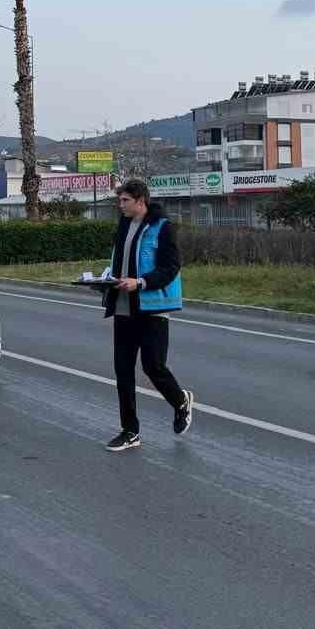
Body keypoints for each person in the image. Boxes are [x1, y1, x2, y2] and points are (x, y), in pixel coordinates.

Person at [102, 178, 193, 451]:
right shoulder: (123, 225)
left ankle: (180, 401)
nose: (120, 205)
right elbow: (121, 263)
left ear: (140, 201)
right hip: (123, 307)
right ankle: (130, 431)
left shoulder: (162, 227)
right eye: (119, 200)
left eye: (125, 200)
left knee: (153, 366)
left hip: (152, 308)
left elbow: (171, 267)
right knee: (123, 370)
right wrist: (105, 281)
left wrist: (141, 283)